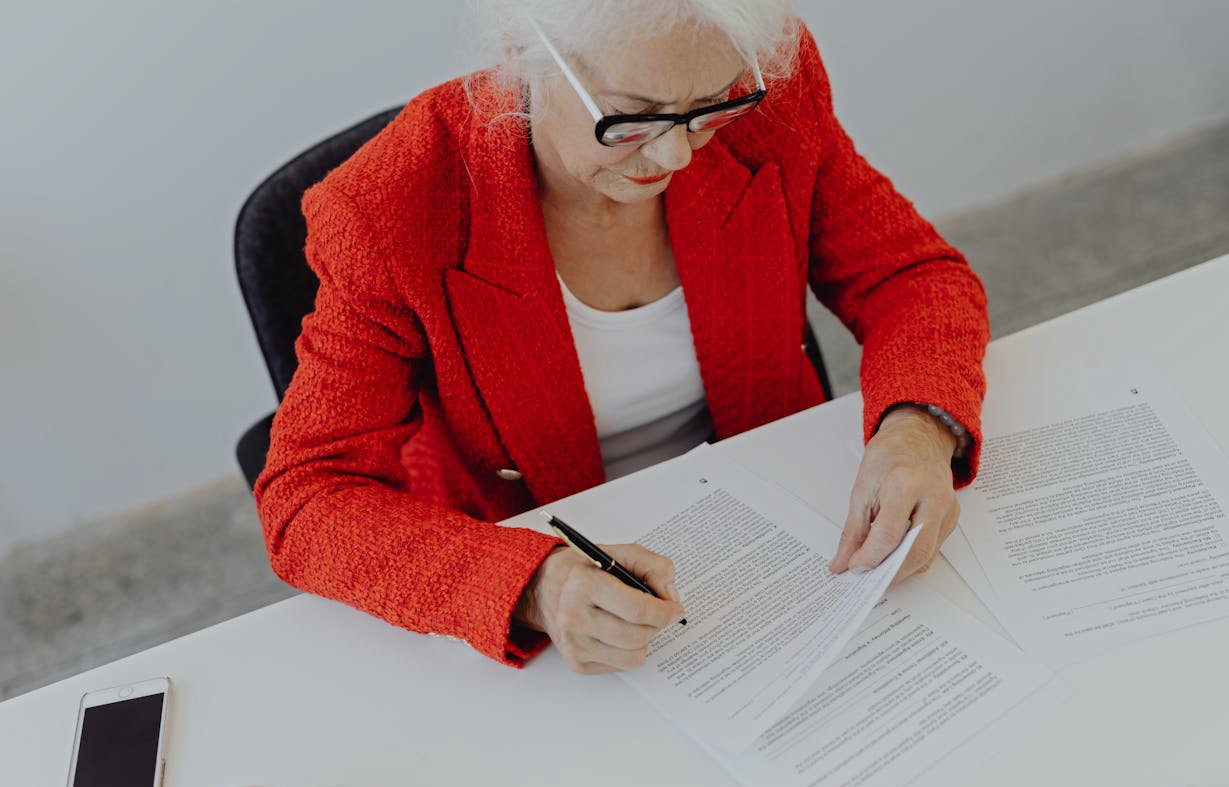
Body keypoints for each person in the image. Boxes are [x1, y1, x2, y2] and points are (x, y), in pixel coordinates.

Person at [254, 0, 989, 676]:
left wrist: (916, 428)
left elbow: (911, 276)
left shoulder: (771, 95)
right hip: (543, 556)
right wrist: (533, 585)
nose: (675, 158)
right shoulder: (391, 209)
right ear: (522, 48)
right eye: (629, 119)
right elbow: (306, 496)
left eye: (710, 109)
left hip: (775, 520)